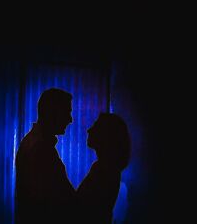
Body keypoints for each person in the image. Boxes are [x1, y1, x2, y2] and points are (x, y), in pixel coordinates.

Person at [15, 88, 75, 224]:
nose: (70, 119)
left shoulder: (36, 143)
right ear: (53, 113)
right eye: (67, 112)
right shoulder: (40, 149)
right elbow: (52, 202)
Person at [77, 113, 130, 224]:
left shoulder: (104, 170)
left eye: (95, 126)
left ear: (106, 135)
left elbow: (84, 208)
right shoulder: (106, 167)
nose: (89, 130)